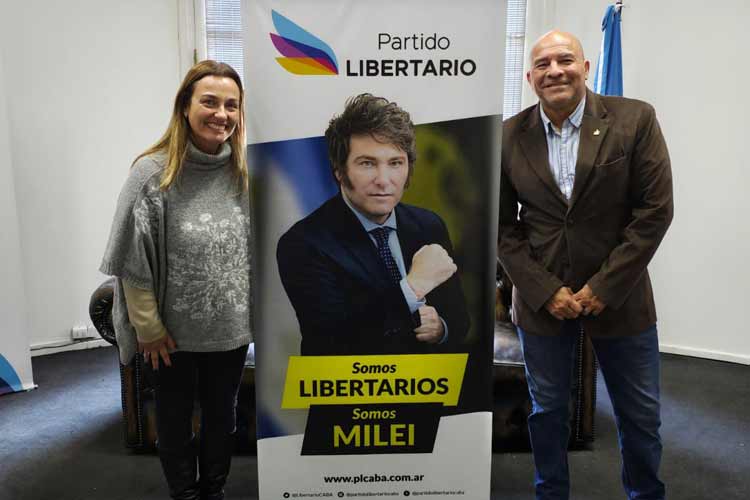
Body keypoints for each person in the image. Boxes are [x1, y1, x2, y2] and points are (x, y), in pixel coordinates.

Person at [498, 31, 673, 500]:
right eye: (543, 64)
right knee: (547, 412)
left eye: (565, 59)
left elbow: (654, 211)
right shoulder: (508, 136)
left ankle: (645, 494)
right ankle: (550, 494)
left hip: (621, 297)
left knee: (640, 415)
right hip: (542, 303)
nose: (555, 70)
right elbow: (501, 227)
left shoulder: (635, 119)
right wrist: (543, 290)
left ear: (586, 67)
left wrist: (603, 287)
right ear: (529, 77)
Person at [100, 60, 252, 500]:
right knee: (173, 418)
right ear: (185, 106)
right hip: (169, 337)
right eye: (210, 102)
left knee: (223, 417)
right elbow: (131, 259)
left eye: (231, 105)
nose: (221, 114)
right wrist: (148, 328)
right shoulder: (152, 174)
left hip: (230, 329)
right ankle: (184, 494)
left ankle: (213, 491)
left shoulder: (245, 172)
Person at [276, 93, 469, 356]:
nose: (383, 180)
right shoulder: (303, 242)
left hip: (423, 379)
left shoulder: (429, 225)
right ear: (339, 171)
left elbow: (460, 320)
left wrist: (441, 329)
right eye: (367, 164)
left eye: (395, 163)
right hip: (346, 382)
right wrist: (412, 288)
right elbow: (331, 339)